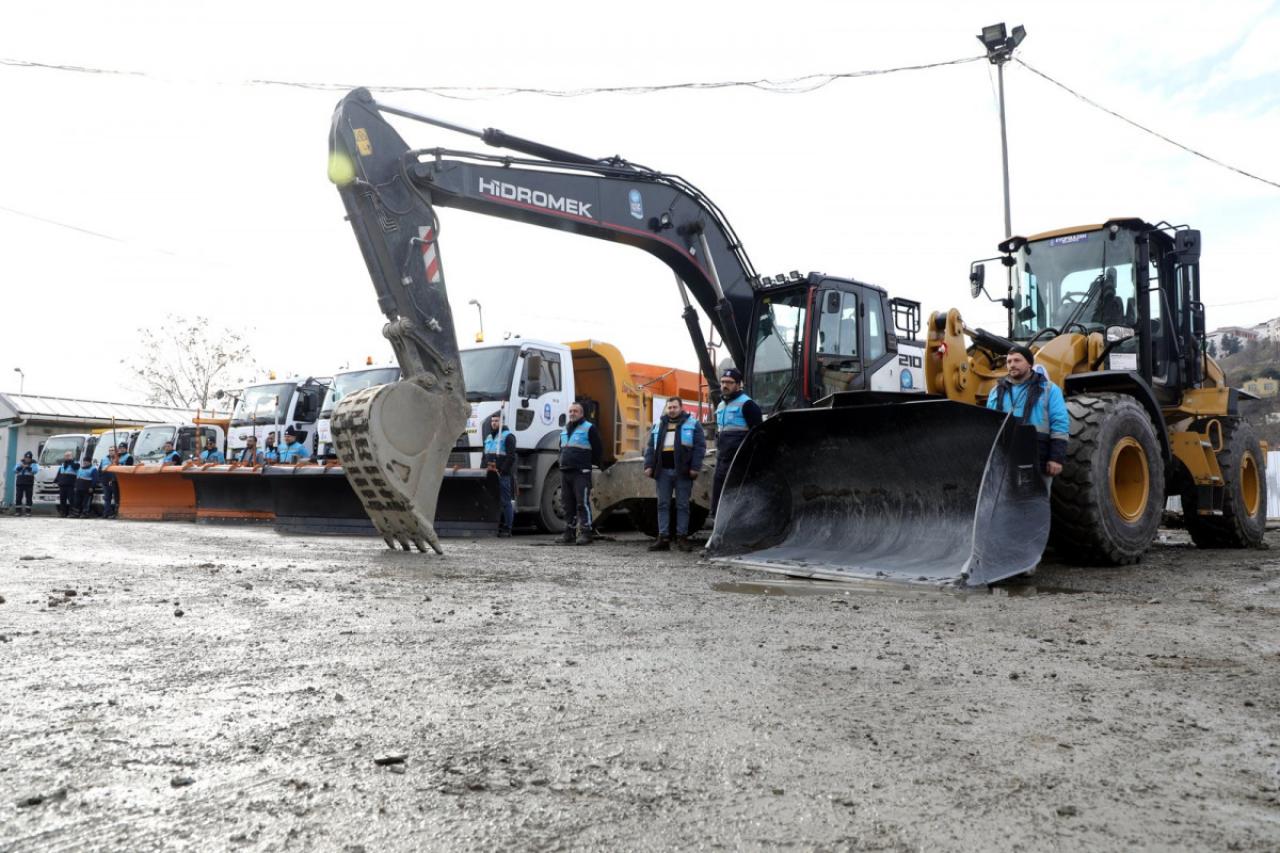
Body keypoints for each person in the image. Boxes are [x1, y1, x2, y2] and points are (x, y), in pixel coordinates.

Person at [987, 344, 1070, 481]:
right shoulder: (996, 391)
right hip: (1004, 458)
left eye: (1017, 360)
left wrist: (1056, 458)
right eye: (1009, 361)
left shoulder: (1049, 389)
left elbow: (1060, 423)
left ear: (1030, 364)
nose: (1012, 365)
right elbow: (988, 423)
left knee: (1037, 495)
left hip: (1038, 457)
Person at [643, 397, 707, 552]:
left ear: (681, 408)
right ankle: (663, 538)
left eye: (674, 407)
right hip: (662, 472)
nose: (672, 410)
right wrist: (648, 465)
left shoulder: (693, 424)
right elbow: (650, 447)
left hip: (682, 472)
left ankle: (682, 538)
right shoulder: (659, 424)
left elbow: (700, 447)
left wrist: (695, 467)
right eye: (669, 407)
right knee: (662, 504)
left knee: (682, 505)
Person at [711, 368, 763, 518]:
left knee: (737, 493)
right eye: (722, 382)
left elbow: (758, 433)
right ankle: (717, 519)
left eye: (729, 382)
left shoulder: (747, 404)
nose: (724, 385)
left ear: (739, 384)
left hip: (739, 458)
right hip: (723, 457)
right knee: (719, 491)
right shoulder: (721, 405)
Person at [558, 401, 602, 545]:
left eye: (575, 411)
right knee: (567, 504)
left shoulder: (589, 428)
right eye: (570, 411)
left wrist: (589, 465)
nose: (572, 414)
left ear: (581, 413)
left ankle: (586, 533)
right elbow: (561, 449)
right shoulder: (564, 430)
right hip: (566, 472)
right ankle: (569, 533)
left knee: (582, 503)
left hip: (581, 472)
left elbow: (598, 449)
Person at [481, 412, 517, 537]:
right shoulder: (489, 437)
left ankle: (507, 527)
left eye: (496, 421)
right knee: (491, 500)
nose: (494, 423)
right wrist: (482, 471)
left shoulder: (508, 437)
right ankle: (494, 526)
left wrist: (501, 471)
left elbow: (511, 457)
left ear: (502, 422)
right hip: (489, 474)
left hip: (502, 475)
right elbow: (484, 456)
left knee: (505, 501)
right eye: (492, 421)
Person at [12, 451, 38, 516]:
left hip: (29, 483)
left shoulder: (34, 464)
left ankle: (28, 512)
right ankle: (18, 511)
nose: (27, 459)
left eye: (29, 458)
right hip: (20, 482)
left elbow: (35, 470)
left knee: (29, 497)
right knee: (18, 497)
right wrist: (21, 467)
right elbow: (14, 470)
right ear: (24, 457)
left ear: (31, 458)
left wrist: (27, 467)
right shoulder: (20, 463)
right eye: (26, 458)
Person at [55, 451, 79, 518]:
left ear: (72, 456)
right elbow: (59, 473)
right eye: (66, 456)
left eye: (68, 455)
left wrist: (71, 461)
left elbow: (75, 467)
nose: (67, 457)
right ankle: (63, 513)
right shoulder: (63, 464)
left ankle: (73, 513)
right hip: (62, 485)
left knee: (72, 500)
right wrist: (57, 480)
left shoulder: (76, 463)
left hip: (71, 485)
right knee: (62, 500)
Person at [100, 446, 120, 518]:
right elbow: (100, 470)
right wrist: (102, 480)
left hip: (114, 481)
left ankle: (116, 513)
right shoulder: (104, 459)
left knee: (116, 498)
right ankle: (106, 513)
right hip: (105, 482)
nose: (111, 451)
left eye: (112, 450)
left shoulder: (118, 459)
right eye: (110, 450)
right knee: (107, 498)